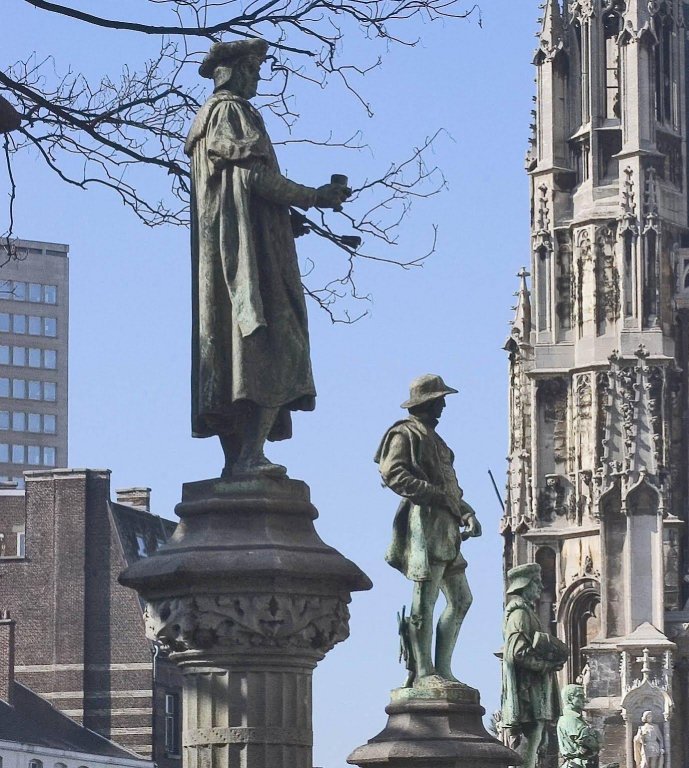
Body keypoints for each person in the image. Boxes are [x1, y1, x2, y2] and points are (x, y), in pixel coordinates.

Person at [186, 38, 350, 477]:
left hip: (228, 250)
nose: (258, 79)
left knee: (228, 352)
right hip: (246, 259)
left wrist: (281, 218)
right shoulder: (232, 112)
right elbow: (255, 177)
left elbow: (233, 192)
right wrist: (315, 197)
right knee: (276, 343)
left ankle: (237, 461)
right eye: (254, 70)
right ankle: (251, 454)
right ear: (235, 71)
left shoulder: (204, 121)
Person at [375, 374, 481, 686]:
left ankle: (443, 669)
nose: (444, 406)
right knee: (424, 600)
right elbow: (392, 473)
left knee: (461, 600)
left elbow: (449, 487)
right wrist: (433, 495)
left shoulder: (436, 439)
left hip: (446, 528)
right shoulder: (404, 433)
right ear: (428, 402)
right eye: (440, 400)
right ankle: (424, 672)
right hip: (425, 526)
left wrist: (466, 512)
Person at [501, 563, 568, 768]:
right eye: (536, 582)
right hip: (528, 691)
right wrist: (546, 665)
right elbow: (518, 653)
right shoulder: (519, 614)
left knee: (535, 740)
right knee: (530, 741)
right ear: (525, 584)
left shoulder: (528, 612)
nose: (540, 587)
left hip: (535, 689)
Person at [557, 684, 601, 768]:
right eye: (580, 696)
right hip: (578, 764)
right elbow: (590, 744)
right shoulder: (571, 719)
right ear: (570, 699)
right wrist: (597, 738)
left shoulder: (575, 718)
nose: (584, 700)